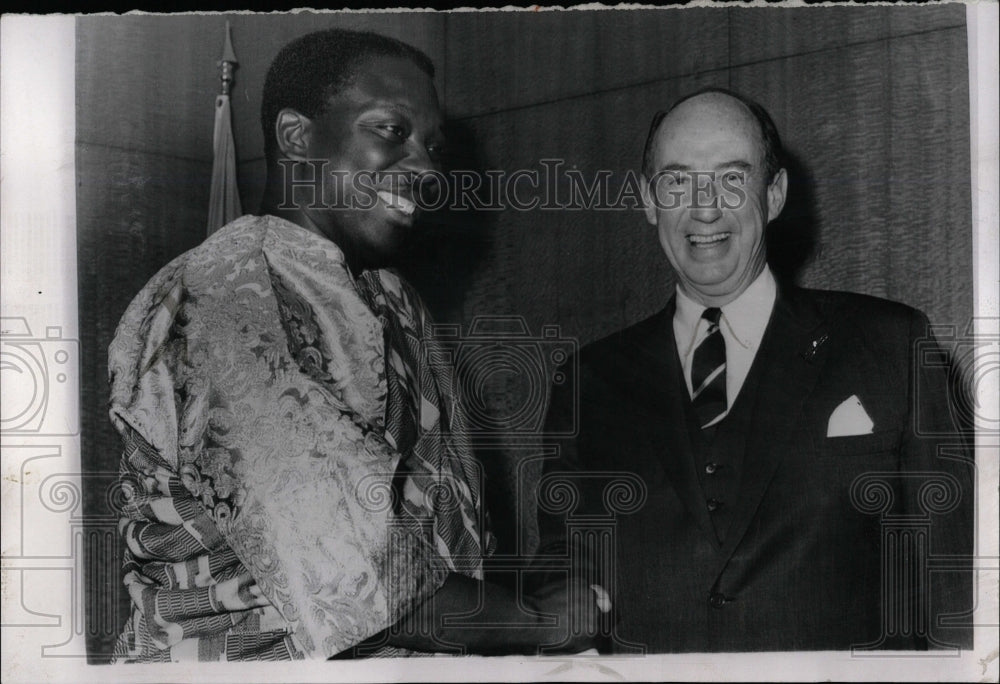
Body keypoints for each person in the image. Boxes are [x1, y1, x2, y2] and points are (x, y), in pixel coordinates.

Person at [110, 28, 604, 662]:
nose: (426, 168)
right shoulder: (221, 298)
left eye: (432, 145)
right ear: (296, 137)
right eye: (392, 132)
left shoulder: (390, 296)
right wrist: (538, 622)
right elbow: (356, 581)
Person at [537, 87, 974, 652]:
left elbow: (957, 589)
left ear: (774, 195)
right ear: (648, 199)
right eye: (676, 181)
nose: (705, 208)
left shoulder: (891, 344)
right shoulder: (586, 382)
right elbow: (559, 593)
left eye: (732, 178)